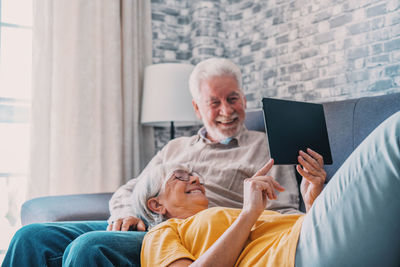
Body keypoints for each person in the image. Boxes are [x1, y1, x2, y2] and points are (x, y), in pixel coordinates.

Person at [2, 58, 321, 266]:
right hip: (148, 223)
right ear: (197, 109)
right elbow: (130, 189)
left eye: (233, 98)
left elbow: (282, 212)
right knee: (30, 237)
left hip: (190, 234)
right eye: (214, 102)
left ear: (244, 100)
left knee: (90, 248)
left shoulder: (268, 147)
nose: (226, 110)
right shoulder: (176, 148)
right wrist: (126, 211)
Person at [137, 111, 400, 267]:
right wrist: (248, 213)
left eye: (195, 174)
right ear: (156, 204)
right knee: (394, 134)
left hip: (309, 236)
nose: (195, 179)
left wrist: (312, 199)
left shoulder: (225, 214)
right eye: (181, 176)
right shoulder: (162, 233)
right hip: (292, 255)